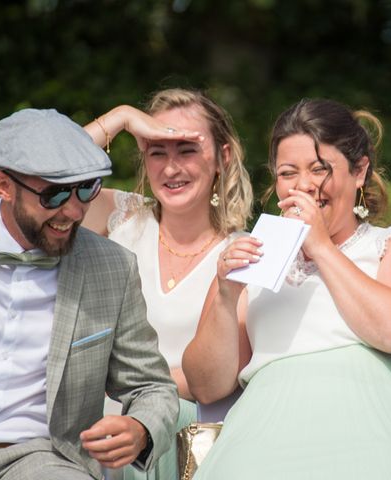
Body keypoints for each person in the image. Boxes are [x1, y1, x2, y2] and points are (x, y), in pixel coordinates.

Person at [182, 98, 391, 478]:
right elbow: (206, 386)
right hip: (265, 429)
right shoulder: (254, 256)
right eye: (288, 173)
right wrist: (225, 296)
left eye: (319, 169)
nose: (303, 185)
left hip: (375, 422)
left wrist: (319, 247)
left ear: (360, 171)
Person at [0, 109, 179, 480]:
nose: (73, 210)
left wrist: (141, 428)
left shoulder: (112, 267)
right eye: (54, 195)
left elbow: (151, 385)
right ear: (3, 185)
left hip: (41, 458)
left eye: (86, 189)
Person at [81, 88, 253, 478]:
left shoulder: (243, 254)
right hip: (97, 436)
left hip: (186, 446)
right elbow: (41, 181)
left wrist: (128, 390)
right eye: (158, 151)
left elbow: (222, 377)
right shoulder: (119, 218)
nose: (171, 168)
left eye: (187, 150)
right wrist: (121, 117)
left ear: (222, 158)